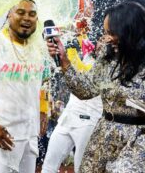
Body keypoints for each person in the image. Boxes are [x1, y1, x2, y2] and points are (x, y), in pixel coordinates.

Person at [46, 1, 145, 172]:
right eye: (106, 32)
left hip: (137, 142)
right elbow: (85, 90)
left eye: (112, 33)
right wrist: (64, 61)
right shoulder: (107, 60)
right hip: (101, 138)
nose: (107, 38)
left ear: (132, 32)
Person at [0, 0, 50, 173]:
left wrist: (43, 109)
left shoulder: (40, 48)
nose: (27, 18)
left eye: (32, 14)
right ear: (9, 15)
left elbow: (45, 81)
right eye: (20, 12)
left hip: (29, 138)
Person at [42, 26, 102, 172]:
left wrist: (69, 50)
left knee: (82, 168)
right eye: (100, 40)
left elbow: (79, 70)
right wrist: (72, 32)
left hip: (88, 122)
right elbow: (82, 36)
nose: (101, 44)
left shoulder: (105, 65)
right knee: (49, 165)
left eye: (106, 41)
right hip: (68, 117)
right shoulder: (89, 55)